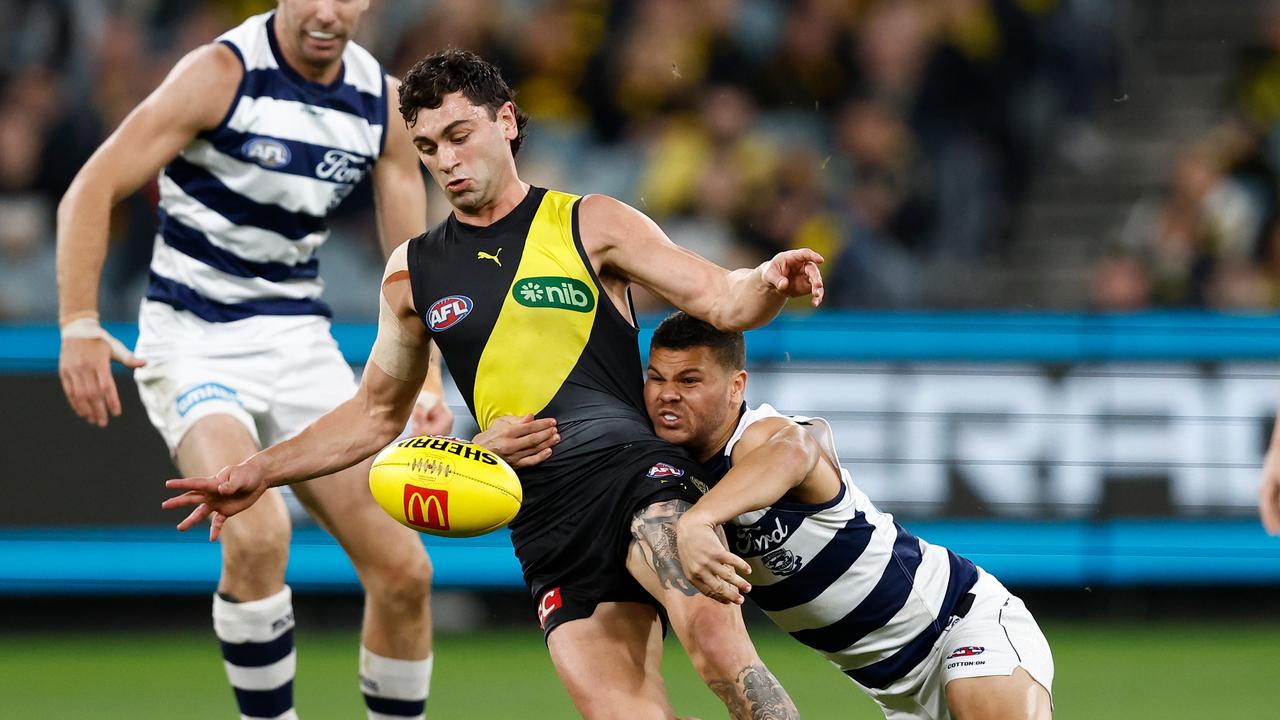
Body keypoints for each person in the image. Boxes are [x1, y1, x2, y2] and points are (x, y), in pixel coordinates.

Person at [164, 49, 825, 720]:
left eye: (458, 135)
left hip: (636, 477)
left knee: (718, 649)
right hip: (544, 519)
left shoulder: (589, 222)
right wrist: (259, 471)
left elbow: (724, 298)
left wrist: (769, 281)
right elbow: (372, 416)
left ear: (506, 122)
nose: (444, 160)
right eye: (426, 147)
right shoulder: (412, 273)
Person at [56, 4, 451, 720]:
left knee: (404, 571)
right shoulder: (218, 75)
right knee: (258, 530)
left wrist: (426, 377)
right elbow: (92, 186)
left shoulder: (386, 105)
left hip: (299, 341)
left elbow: (409, 264)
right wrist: (79, 321)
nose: (328, 11)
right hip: (192, 338)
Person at [483, 311, 1056, 719]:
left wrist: (697, 522)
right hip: (891, 691)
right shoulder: (659, 463)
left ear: (737, 387)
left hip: (962, 624)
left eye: (689, 381)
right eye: (656, 379)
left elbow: (800, 448)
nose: (666, 396)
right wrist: (485, 447)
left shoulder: (762, 437)